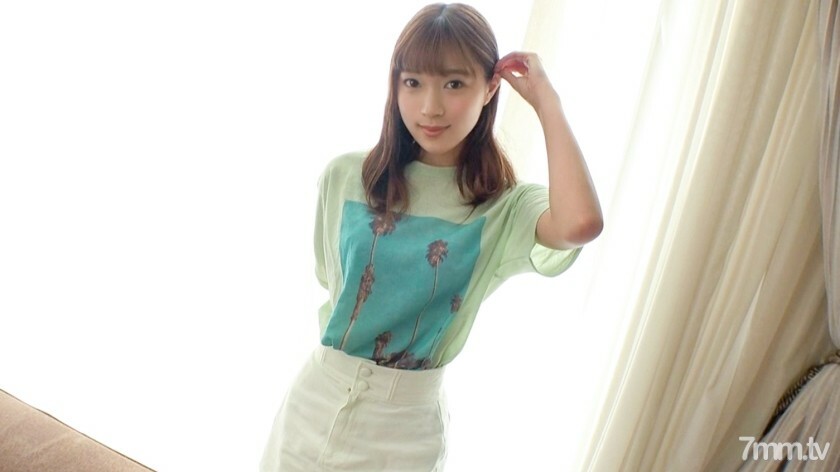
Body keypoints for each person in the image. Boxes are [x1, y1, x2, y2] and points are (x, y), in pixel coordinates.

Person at [260, 3, 602, 471]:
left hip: (405, 430)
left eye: (454, 84)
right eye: (413, 82)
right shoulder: (345, 177)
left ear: (490, 88)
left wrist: (547, 103)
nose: (430, 107)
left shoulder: (504, 206)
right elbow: (329, 278)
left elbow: (580, 224)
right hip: (314, 405)